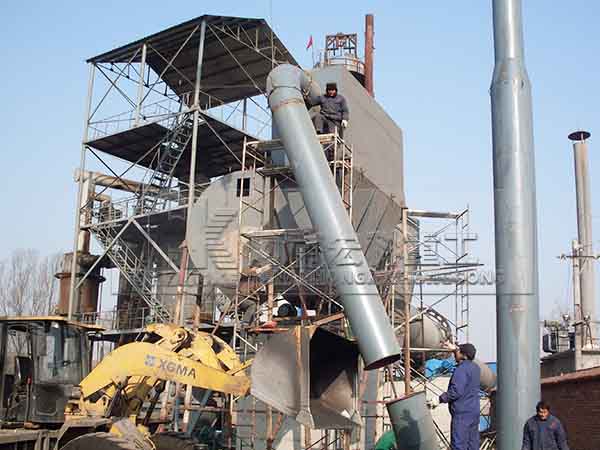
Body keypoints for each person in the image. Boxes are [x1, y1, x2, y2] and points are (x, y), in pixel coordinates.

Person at [438, 342, 481, 450]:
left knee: (459, 445)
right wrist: (454, 349)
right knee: (472, 444)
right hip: (473, 412)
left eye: (458, 352)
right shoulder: (476, 368)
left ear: (464, 355)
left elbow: (455, 391)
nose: (456, 354)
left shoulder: (461, 369)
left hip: (462, 414)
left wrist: (439, 399)